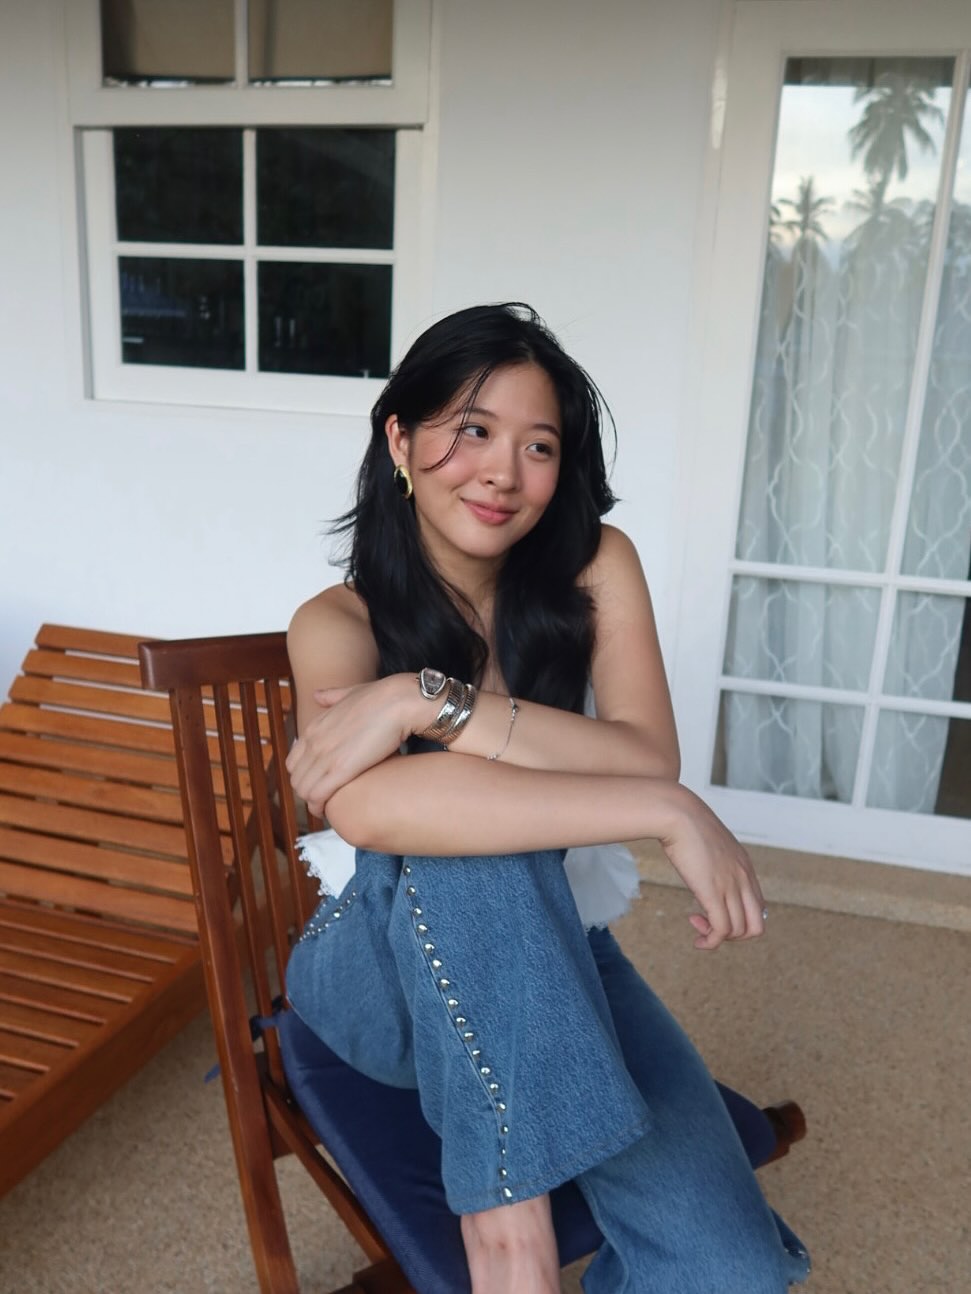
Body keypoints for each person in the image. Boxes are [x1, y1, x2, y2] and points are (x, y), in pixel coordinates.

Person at [284, 303, 810, 1293]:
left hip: (560, 946)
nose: (502, 473)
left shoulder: (595, 565)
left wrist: (422, 701)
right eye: (472, 430)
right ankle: (511, 1243)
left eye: (538, 446)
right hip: (374, 976)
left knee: (729, 1270)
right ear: (399, 440)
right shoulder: (335, 621)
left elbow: (644, 753)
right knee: (469, 844)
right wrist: (663, 810)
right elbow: (367, 811)